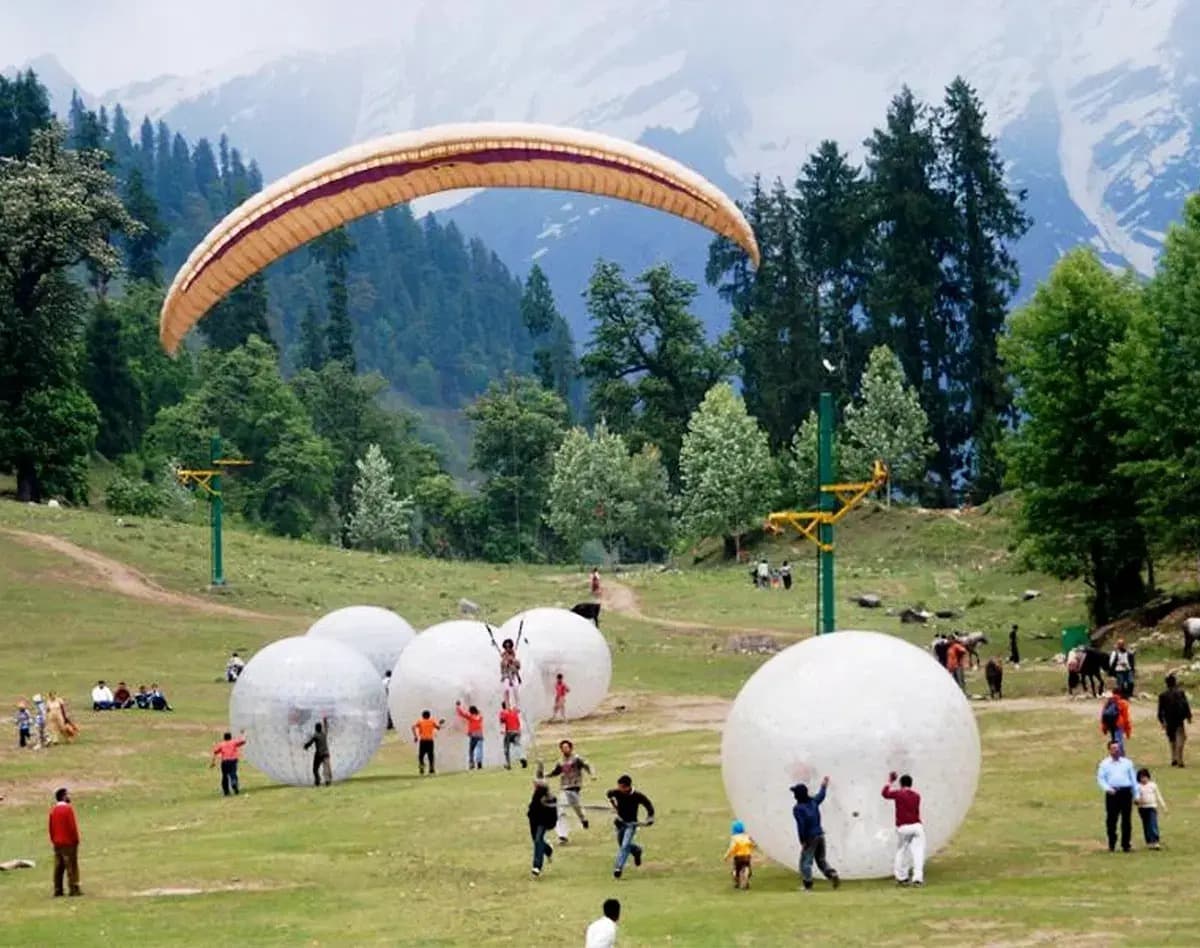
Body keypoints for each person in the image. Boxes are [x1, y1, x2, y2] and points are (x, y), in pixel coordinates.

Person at [791, 778, 840, 891]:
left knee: (805, 862)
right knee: (821, 860)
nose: (794, 795)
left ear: (798, 795)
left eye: (795, 793)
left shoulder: (798, 809)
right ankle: (832, 874)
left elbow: (801, 825)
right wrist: (824, 786)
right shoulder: (813, 802)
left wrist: (802, 840)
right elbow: (821, 796)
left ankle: (807, 885)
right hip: (820, 834)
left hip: (810, 837)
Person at [546, 739, 595, 842]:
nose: (565, 749)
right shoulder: (560, 761)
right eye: (563, 748)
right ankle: (562, 835)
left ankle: (583, 819)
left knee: (577, 808)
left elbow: (587, 765)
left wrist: (592, 775)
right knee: (560, 810)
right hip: (564, 788)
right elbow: (556, 772)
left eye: (566, 747)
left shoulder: (577, 759)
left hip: (575, 788)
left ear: (571, 748)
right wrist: (547, 775)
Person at [607, 774, 654, 879]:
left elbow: (648, 805)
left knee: (625, 846)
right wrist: (612, 802)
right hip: (620, 823)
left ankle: (618, 868)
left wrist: (650, 817)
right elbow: (609, 793)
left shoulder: (637, 796)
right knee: (622, 844)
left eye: (621, 787)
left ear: (627, 787)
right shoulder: (617, 792)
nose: (619, 789)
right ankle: (637, 850)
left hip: (631, 824)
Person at [882, 771, 924, 886]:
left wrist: (890, 781)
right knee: (918, 853)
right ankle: (917, 879)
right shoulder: (917, 796)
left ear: (901, 784)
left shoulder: (899, 794)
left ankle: (901, 877)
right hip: (917, 826)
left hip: (903, 827)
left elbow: (885, 793)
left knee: (901, 852)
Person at [1097, 740, 1137, 851]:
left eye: (1118, 748)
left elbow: (1133, 779)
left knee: (1126, 819)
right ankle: (1112, 843)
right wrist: (1107, 789)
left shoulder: (1127, 763)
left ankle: (1126, 844)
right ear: (1109, 750)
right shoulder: (1104, 764)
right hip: (1112, 793)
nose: (1116, 750)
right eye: (1114, 748)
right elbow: (1101, 779)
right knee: (1111, 819)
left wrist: (1136, 795)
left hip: (1126, 792)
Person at [48, 787, 82, 897]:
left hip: (57, 842)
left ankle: (58, 889)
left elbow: (51, 827)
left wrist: (53, 840)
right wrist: (76, 839)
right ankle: (74, 888)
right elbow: (72, 826)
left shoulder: (53, 810)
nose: (69, 796)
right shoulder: (68, 809)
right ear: (63, 796)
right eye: (67, 794)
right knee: (71, 866)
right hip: (69, 842)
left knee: (58, 867)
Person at [1157, 674, 1192, 767]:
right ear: (1175, 682)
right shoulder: (1180, 693)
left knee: (1172, 738)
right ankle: (1179, 758)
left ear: (1166, 684)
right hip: (1179, 718)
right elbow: (1186, 705)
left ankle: (1173, 758)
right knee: (1181, 737)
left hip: (1168, 719)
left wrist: (1162, 721)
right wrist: (1189, 717)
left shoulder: (1162, 695)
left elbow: (1160, 710)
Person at [527, 780, 558, 877]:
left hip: (543, 822)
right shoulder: (536, 796)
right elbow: (532, 810)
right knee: (536, 840)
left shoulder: (551, 798)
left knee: (538, 840)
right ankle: (548, 849)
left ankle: (537, 867)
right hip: (534, 821)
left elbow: (552, 814)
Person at [1135, 767, 1166, 850]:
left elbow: (1158, 795)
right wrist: (1137, 801)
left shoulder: (1153, 785)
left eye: (1145, 777)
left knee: (1153, 824)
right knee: (1146, 825)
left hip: (1152, 807)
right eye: (1141, 778)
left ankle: (1155, 841)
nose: (1143, 779)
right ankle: (1149, 841)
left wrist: (1163, 805)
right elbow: (1136, 797)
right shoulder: (1138, 787)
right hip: (1142, 808)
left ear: (1148, 777)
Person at [210, 730, 247, 796]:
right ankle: (234, 783)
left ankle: (226, 791)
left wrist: (213, 762)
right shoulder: (233, 742)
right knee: (233, 773)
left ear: (224, 738)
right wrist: (243, 734)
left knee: (224, 776)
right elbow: (243, 741)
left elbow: (215, 752)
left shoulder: (221, 744)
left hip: (225, 762)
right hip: (233, 761)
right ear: (230, 737)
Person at [723, 819, 756, 889]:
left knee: (736, 870)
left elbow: (732, 848)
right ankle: (747, 876)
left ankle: (737, 882)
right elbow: (751, 844)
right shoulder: (746, 836)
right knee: (747, 866)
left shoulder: (734, 838)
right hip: (747, 856)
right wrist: (753, 846)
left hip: (738, 857)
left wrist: (727, 856)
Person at [1100, 686, 1133, 753]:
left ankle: (1115, 756)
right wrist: (1128, 731)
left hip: (1110, 725)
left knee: (1113, 743)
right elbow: (1126, 718)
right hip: (1118, 725)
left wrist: (1104, 728)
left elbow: (1103, 715)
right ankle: (1121, 757)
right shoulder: (1123, 703)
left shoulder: (1109, 702)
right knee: (1119, 744)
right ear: (1121, 694)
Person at [411, 710, 443, 775]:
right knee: (430, 755)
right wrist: (440, 723)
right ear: (429, 716)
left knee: (421, 755)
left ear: (423, 716)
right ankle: (431, 769)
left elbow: (413, 727)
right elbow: (438, 728)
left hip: (423, 741)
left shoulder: (420, 721)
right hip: (430, 741)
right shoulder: (432, 721)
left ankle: (422, 768)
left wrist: (415, 736)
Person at [455, 701, 485, 770]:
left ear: (471, 712)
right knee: (479, 750)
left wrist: (458, 706)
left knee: (471, 750)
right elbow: (479, 713)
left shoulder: (470, 717)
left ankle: (471, 764)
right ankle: (479, 763)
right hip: (480, 735)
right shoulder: (480, 717)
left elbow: (461, 713)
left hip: (473, 735)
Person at [302, 718, 332, 787]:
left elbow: (310, 742)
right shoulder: (324, 734)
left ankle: (318, 780)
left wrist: (306, 746)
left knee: (315, 769)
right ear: (321, 728)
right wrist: (325, 721)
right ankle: (327, 781)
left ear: (316, 728)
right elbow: (326, 728)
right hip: (326, 754)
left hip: (319, 754)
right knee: (326, 768)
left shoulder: (316, 735)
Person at [499, 701, 526, 770]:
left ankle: (508, 764)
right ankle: (522, 757)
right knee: (517, 746)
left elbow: (502, 721)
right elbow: (518, 715)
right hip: (517, 731)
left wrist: (502, 730)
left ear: (502, 707)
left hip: (508, 732)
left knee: (506, 749)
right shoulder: (514, 711)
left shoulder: (503, 712)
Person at [499, 638, 522, 704]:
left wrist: (513, 662)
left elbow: (518, 667)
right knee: (507, 691)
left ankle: (516, 707)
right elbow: (502, 670)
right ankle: (508, 706)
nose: (507, 648)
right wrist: (506, 662)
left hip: (514, 677)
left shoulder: (514, 657)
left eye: (509, 647)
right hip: (506, 677)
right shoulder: (503, 658)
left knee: (515, 692)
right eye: (506, 647)